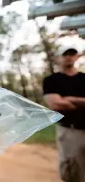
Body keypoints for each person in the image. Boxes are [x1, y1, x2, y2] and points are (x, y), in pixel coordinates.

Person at [42, 45, 85, 182]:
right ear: (58, 58)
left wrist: (70, 99)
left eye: (72, 54)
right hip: (70, 131)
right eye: (65, 54)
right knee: (73, 170)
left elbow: (64, 102)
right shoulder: (51, 81)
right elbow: (56, 104)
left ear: (77, 56)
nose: (69, 57)